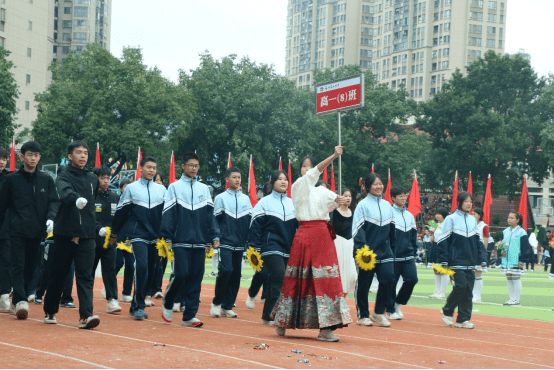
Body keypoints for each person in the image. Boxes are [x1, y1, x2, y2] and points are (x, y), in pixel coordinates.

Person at [272, 148, 352, 342]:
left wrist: (340, 199)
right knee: (297, 279)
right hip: (305, 236)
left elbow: (335, 200)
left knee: (328, 281)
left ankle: (326, 329)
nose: (307, 169)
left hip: (323, 238)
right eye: (304, 166)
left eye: (310, 165)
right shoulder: (299, 185)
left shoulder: (322, 191)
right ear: (301, 170)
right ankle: (283, 320)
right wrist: (333, 156)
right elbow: (313, 173)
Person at [43, 141, 100, 329]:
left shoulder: (93, 179)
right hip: (65, 233)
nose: (83, 156)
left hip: (86, 235)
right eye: (78, 153)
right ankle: (50, 310)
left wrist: (94, 227)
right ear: (70, 156)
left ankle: (86, 316)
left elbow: (92, 206)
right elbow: (64, 192)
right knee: (58, 273)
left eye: (85, 153)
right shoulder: (62, 175)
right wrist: (75, 199)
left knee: (85, 276)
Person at [160, 152, 219, 328]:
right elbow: (168, 214)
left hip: (200, 241)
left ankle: (189, 316)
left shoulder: (204, 189)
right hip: (180, 240)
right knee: (182, 273)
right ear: (183, 166)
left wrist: (214, 235)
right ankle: (168, 301)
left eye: (196, 166)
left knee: (196, 277)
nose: (194, 168)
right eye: (190, 165)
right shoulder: (174, 187)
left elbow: (210, 215)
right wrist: (168, 236)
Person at [112, 156, 166, 320]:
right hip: (137, 235)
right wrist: (115, 233)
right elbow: (121, 212)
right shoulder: (131, 189)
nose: (151, 170)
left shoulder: (162, 190)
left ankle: (136, 304)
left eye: (154, 167)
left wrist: (165, 235)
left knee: (151, 270)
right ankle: (139, 307)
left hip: (155, 237)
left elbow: (166, 215)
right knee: (141, 267)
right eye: (148, 167)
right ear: (140, 168)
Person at [247, 170, 297, 325]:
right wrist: (254, 247)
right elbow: (255, 226)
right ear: (273, 182)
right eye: (280, 179)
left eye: (285, 179)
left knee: (278, 280)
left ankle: (268, 315)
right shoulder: (264, 202)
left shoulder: (292, 203)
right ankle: (271, 315)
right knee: (278, 277)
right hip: (270, 246)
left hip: (288, 247)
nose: (283, 182)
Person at [437, 192, 487, 329]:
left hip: (470, 261)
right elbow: (443, 240)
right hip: (455, 260)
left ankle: (462, 319)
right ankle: (447, 310)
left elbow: (478, 241)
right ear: (459, 202)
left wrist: (482, 258)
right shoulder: (451, 219)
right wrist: (444, 259)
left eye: (471, 201)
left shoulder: (472, 220)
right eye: (466, 201)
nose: (469, 204)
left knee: (468, 290)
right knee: (461, 286)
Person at [352, 172, 396, 327]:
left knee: (388, 279)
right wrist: (363, 251)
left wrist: (392, 248)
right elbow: (357, 230)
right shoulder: (362, 205)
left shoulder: (387, 205)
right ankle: (363, 315)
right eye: (375, 184)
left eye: (380, 184)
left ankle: (378, 313)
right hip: (367, 253)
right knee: (364, 284)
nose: (379, 187)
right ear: (367, 187)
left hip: (385, 252)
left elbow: (392, 230)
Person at [211, 167, 252, 318]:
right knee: (226, 270)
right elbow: (215, 220)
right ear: (227, 179)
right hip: (225, 242)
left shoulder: (246, 199)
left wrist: (249, 240)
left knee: (236, 274)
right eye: (234, 177)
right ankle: (216, 303)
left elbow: (249, 221)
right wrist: (216, 237)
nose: (237, 180)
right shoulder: (221, 198)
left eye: (239, 177)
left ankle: (227, 306)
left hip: (240, 243)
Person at [91, 166, 122, 314]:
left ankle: (112, 300)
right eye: (102, 178)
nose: (105, 181)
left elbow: (119, 219)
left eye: (107, 178)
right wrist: (98, 228)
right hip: (92, 240)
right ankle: (86, 298)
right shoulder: (91, 196)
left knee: (109, 270)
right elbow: (89, 217)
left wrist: (115, 234)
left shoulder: (115, 197)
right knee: (89, 270)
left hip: (110, 241)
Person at [386, 185, 418, 320]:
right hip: (393, 255)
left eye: (405, 195)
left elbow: (413, 235)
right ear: (393, 198)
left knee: (412, 279)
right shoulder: (389, 213)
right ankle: (390, 310)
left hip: (408, 255)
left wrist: (414, 250)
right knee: (391, 283)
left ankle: (398, 303)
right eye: (400, 196)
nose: (404, 198)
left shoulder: (409, 215)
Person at [245, 181, 273, 309]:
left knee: (275, 273)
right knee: (262, 272)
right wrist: (255, 245)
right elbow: (255, 226)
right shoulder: (262, 204)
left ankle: (267, 296)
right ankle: (252, 293)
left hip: (277, 243)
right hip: (262, 243)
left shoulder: (286, 202)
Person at [500, 212, 532, 306]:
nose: (509, 219)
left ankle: (516, 300)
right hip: (506, 260)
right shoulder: (505, 231)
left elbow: (525, 247)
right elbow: (502, 244)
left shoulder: (522, 232)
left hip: (516, 259)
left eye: (512, 218)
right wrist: (501, 251)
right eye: (508, 217)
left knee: (516, 278)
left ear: (517, 220)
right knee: (509, 278)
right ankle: (511, 299)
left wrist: (522, 260)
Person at [331, 188, 357, 295]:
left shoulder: (354, 213)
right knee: (339, 274)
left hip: (350, 244)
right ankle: (337, 303)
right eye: (345, 196)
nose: (348, 198)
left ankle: (343, 300)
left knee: (352, 275)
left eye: (349, 196)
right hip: (337, 244)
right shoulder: (334, 213)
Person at [147, 172, 167, 302]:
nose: (159, 183)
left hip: (163, 235)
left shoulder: (165, 195)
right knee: (152, 264)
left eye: (160, 180)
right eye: (156, 180)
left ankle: (158, 288)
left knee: (162, 264)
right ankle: (149, 290)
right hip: (151, 235)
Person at [114, 178, 134, 303]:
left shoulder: (135, 203)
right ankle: (109, 283)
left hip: (131, 238)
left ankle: (126, 293)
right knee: (118, 263)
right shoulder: (116, 201)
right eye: (125, 187)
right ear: (121, 188)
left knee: (131, 266)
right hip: (118, 237)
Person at [429, 207, 449, 299]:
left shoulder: (447, 224)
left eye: (439, 214)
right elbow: (432, 238)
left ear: (444, 215)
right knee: (436, 270)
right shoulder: (436, 225)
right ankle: (437, 290)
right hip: (435, 247)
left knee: (443, 270)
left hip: (444, 248)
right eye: (436, 213)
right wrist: (431, 235)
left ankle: (442, 291)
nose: (437, 215)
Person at [0, 147, 11, 313]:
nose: (1, 162)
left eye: (4, 158)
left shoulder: (10, 179)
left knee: (6, 262)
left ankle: (3, 296)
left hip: (6, 228)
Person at [471, 208, 489, 303]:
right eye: (472, 214)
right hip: (471, 252)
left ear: (480, 215)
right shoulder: (471, 225)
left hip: (479, 252)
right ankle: (473, 294)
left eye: (475, 214)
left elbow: (485, 241)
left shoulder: (484, 226)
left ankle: (477, 296)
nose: (472, 216)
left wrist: (483, 255)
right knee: (472, 273)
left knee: (478, 273)